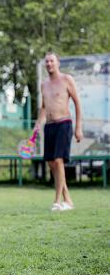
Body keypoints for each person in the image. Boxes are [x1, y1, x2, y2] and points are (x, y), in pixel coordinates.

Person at [35, 52, 83, 211]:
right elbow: (43, 107)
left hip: (64, 123)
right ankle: (68, 200)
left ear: (58, 63)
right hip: (49, 126)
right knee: (51, 163)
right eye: (47, 61)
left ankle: (57, 201)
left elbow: (77, 103)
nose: (49, 64)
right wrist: (37, 124)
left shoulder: (67, 79)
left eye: (52, 61)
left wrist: (78, 128)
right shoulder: (44, 85)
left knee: (58, 160)